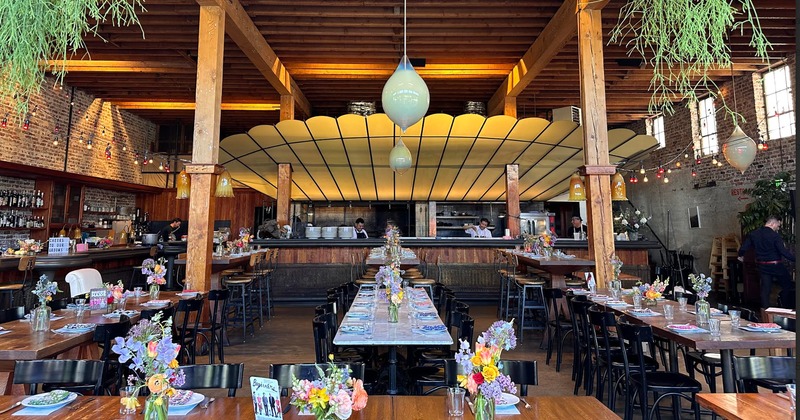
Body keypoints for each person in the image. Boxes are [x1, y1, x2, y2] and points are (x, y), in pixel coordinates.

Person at [738, 215, 795, 308]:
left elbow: (743, 248)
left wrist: (740, 255)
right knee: (788, 285)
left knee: (765, 290)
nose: (778, 228)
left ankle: (766, 313)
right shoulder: (775, 236)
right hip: (776, 266)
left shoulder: (754, 234)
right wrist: (794, 259)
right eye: (778, 225)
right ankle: (785, 309)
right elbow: (783, 251)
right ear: (773, 223)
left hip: (762, 266)